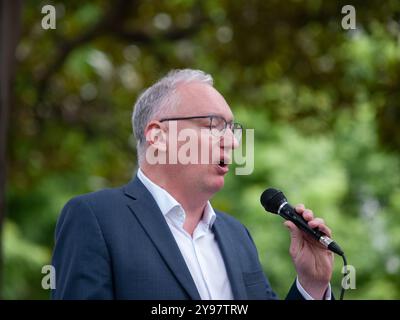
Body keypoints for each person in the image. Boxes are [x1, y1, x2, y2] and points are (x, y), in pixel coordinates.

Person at [51, 69, 333, 300]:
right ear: (158, 136)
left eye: (232, 129)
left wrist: (311, 286)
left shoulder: (237, 235)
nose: (233, 142)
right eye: (213, 125)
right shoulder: (95, 218)